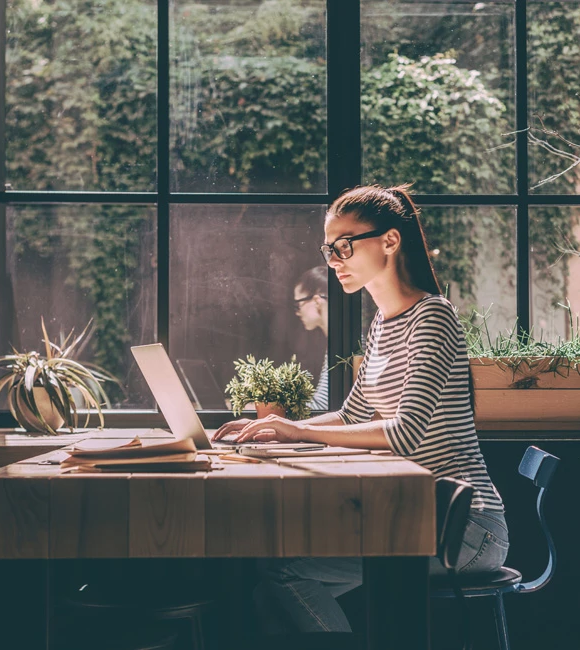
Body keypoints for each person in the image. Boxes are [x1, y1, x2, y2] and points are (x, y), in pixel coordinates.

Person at [213, 184, 508, 634]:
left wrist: (299, 433)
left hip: (466, 528)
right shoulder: (382, 324)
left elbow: (405, 433)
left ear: (390, 241)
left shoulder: (433, 316)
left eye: (344, 246)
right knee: (268, 583)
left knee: (285, 574)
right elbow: (353, 415)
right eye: (329, 249)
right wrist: (275, 426)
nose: (334, 260)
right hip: (415, 515)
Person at [293, 267, 329, 410]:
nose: (297, 313)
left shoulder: (343, 346)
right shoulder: (337, 343)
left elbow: (322, 407)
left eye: (298, 304)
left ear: (316, 301)